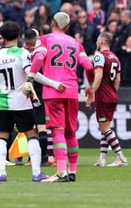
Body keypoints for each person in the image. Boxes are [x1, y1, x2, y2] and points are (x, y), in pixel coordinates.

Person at [0, 21, 64, 182]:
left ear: (3, 37)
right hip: (21, 102)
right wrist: (54, 84)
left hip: (3, 103)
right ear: (19, 36)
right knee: (31, 135)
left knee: (2, 136)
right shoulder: (22, 53)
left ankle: (2, 173)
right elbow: (33, 74)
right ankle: (36, 173)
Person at [26, 12, 95, 182]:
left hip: (53, 91)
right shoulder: (77, 44)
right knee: (71, 132)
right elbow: (89, 67)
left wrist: (30, 78)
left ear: (52, 23)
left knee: (57, 131)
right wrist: (91, 87)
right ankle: (72, 172)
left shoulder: (45, 39)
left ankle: (61, 172)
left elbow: (39, 57)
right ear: (67, 27)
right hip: (72, 91)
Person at [92, 32, 128, 167]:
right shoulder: (115, 57)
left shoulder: (99, 55)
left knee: (105, 128)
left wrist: (91, 92)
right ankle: (102, 158)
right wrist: (112, 92)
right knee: (104, 127)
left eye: (97, 39)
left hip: (103, 96)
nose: (96, 42)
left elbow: (98, 76)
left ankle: (121, 157)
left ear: (101, 41)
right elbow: (117, 80)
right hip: (112, 95)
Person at [22, 28, 55, 167]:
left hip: (24, 92)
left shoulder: (22, 52)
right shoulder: (41, 51)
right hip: (41, 91)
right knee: (43, 126)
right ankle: (46, 157)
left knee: (30, 128)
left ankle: (31, 158)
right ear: (37, 38)